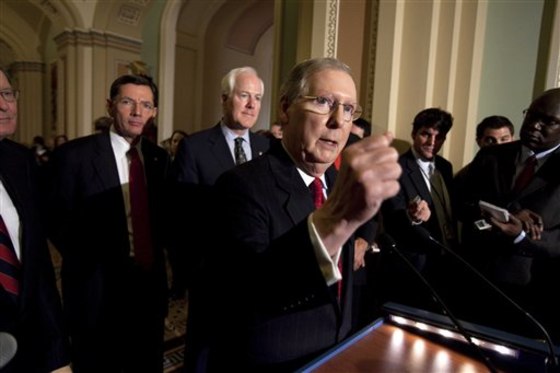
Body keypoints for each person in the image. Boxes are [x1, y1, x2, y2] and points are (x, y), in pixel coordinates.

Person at [197, 57, 401, 371]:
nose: (338, 121)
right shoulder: (241, 184)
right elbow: (252, 291)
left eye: (348, 109)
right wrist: (334, 220)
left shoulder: (337, 182)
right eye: (323, 102)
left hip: (335, 351)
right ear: (285, 107)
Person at [48, 74, 170, 373]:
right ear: (110, 106)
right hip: (96, 289)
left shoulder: (159, 158)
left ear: (154, 112)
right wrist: (90, 257)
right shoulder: (74, 155)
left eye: (146, 105)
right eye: (128, 102)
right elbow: (55, 217)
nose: (137, 112)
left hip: (148, 287)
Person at [172, 66, 270, 371]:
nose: (252, 105)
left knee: (245, 351)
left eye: (257, 97)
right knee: (204, 353)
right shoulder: (195, 146)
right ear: (225, 98)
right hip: (211, 273)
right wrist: (192, 270)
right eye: (244, 96)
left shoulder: (268, 148)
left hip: (258, 272)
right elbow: (183, 214)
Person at [460, 88, 560, 341]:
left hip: (531, 296)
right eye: (531, 116)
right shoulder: (491, 156)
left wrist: (520, 237)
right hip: (476, 282)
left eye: (547, 122)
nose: (534, 126)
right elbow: (462, 205)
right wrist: (506, 214)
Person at [0, 67, 71, 372]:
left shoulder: (19, 160)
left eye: (6, 94)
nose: (4, 105)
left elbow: (38, 265)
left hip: (31, 347)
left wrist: (58, 355)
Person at [380, 108, 456, 309]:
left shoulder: (445, 167)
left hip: (445, 261)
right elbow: (391, 216)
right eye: (426, 134)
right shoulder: (396, 166)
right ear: (414, 133)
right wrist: (412, 216)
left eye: (439, 137)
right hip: (412, 263)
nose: (432, 142)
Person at [454, 115, 514, 224]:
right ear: (479, 142)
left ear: (512, 139)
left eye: (504, 139)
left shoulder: (523, 169)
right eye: (491, 140)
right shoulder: (465, 176)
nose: (498, 145)